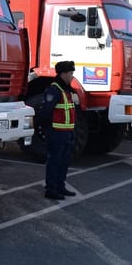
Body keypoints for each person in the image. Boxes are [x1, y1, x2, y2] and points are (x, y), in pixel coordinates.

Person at [43, 60, 78, 200]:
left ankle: (60, 186)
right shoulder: (55, 89)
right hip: (57, 133)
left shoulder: (66, 89)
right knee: (55, 162)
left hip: (67, 133)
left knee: (64, 162)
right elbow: (46, 112)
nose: (72, 76)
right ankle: (51, 189)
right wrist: (48, 131)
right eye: (70, 73)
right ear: (63, 74)